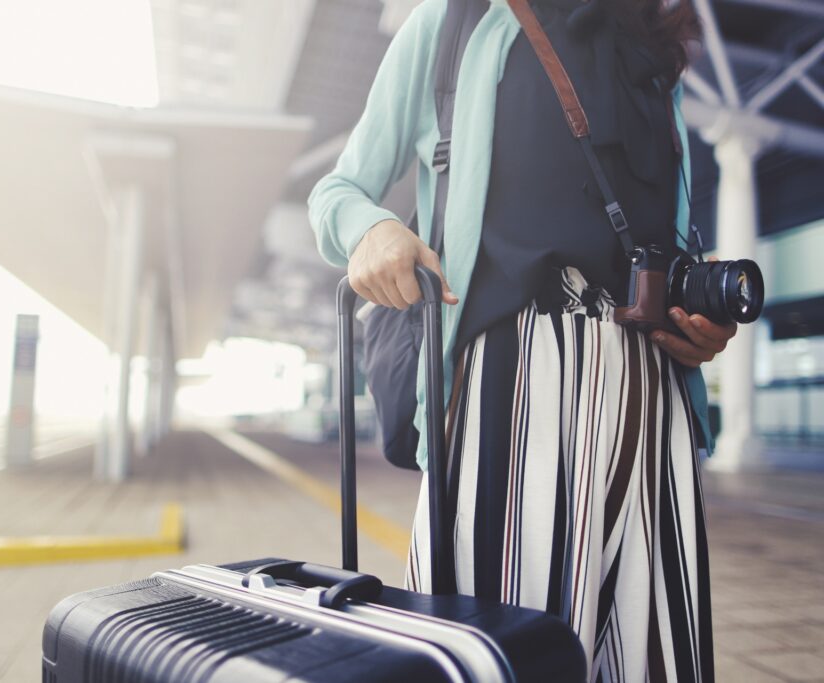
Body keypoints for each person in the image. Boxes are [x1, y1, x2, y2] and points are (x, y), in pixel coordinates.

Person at [307, 0, 735, 680]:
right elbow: (337, 191)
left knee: (656, 660)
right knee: (505, 657)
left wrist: (698, 319)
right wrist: (373, 229)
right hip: (513, 392)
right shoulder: (457, 23)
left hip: (653, 406)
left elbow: (664, 238)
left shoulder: (655, 53)